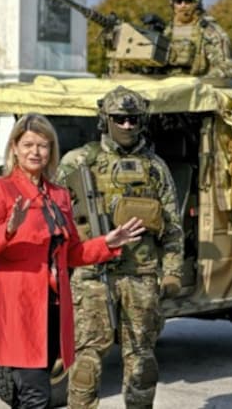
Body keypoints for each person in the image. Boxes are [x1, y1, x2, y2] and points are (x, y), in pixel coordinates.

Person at [0, 114, 145, 408]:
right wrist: (10, 228)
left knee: (29, 394)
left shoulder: (59, 194)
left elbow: (73, 253)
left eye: (43, 146)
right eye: (28, 145)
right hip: (19, 308)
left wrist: (108, 243)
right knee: (36, 395)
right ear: (14, 147)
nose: (35, 152)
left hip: (54, 309)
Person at [56, 86, 184, 408]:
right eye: (119, 119)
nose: (127, 126)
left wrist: (171, 273)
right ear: (105, 119)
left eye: (133, 119)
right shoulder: (77, 162)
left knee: (142, 363)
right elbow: (55, 223)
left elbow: (172, 228)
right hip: (91, 275)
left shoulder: (155, 168)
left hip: (140, 277)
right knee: (86, 362)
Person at [162, 0, 232, 79]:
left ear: (197, 3)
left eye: (188, 1)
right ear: (172, 4)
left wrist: (199, 83)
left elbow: (226, 68)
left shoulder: (209, 31)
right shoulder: (167, 32)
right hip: (166, 85)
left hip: (198, 88)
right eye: (178, 1)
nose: (183, 5)